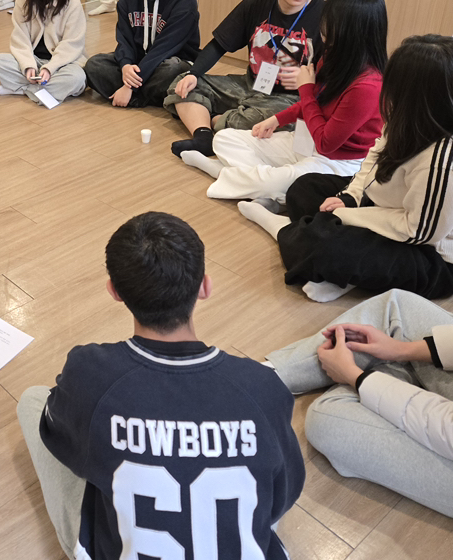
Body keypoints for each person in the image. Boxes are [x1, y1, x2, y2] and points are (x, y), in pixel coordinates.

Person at [264, 117, 453, 542]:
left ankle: (373, 379)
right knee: (396, 306)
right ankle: (264, 377)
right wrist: (403, 350)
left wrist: (359, 380)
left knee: (329, 418)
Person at [17, 211, 303, 559]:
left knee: (33, 400)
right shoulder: (263, 386)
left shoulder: (89, 371)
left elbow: (63, 443)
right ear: (205, 287)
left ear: (115, 292)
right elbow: (283, 495)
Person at [239, 35, 453, 303]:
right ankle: (345, 274)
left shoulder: (449, 156)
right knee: (305, 188)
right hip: (392, 210)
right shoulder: (412, 116)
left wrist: (349, 216)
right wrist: (349, 197)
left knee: (324, 245)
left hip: (438, 256)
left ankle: (283, 230)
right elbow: (374, 157)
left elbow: (418, 232)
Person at [181, 0, 387, 202]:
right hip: (306, 140)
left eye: (330, 22)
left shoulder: (368, 86)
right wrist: (278, 119)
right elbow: (317, 103)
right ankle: (260, 184)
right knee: (225, 139)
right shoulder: (334, 56)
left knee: (285, 182)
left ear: (350, 31)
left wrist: (305, 89)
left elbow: (326, 143)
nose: (323, 26)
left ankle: (228, 174)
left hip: (338, 161)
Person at [167, 0, 333, 157]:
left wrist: (310, 82)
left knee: (272, 120)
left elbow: (336, 75)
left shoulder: (326, 17)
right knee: (183, 84)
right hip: (248, 84)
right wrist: (194, 73)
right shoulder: (257, 3)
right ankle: (204, 135)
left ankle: (215, 119)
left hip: (288, 98)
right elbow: (219, 44)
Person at [84, 0, 200, 108]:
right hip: (138, 64)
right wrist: (126, 66)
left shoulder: (185, 2)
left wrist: (129, 86)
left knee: (173, 69)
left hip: (169, 61)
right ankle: (150, 97)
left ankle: (132, 95)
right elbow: (124, 39)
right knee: (94, 65)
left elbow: (163, 49)